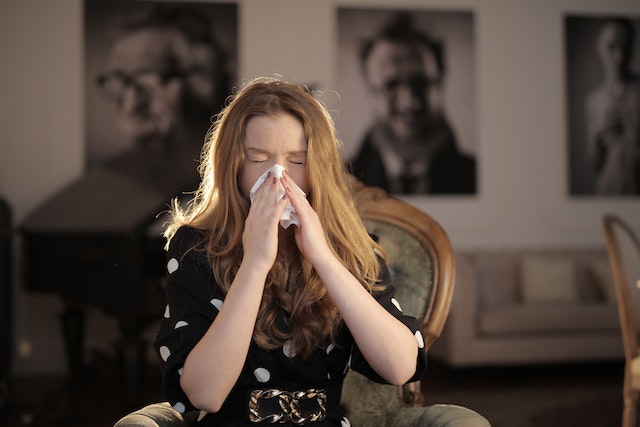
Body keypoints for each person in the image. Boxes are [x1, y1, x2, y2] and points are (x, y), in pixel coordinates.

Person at [152, 77, 427, 426]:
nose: (278, 175)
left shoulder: (351, 249)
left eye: (297, 160)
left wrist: (324, 257)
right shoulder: (195, 248)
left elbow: (400, 368)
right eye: (258, 157)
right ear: (232, 165)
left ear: (318, 167)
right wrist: (254, 264)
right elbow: (205, 393)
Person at [95, 4, 232, 196]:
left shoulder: (234, 177)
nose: (131, 104)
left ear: (203, 85)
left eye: (149, 80)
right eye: (119, 81)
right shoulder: (110, 179)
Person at [350, 13, 476, 195]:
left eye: (421, 83)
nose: (409, 101)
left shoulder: (472, 177)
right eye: (391, 85)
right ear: (369, 89)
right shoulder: (338, 181)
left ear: (441, 83)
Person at [585, 17, 640, 195]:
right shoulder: (593, 100)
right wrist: (596, 135)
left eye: (625, 46)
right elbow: (594, 165)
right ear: (598, 47)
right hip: (607, 193)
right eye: (611, 47)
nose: (619, 56)